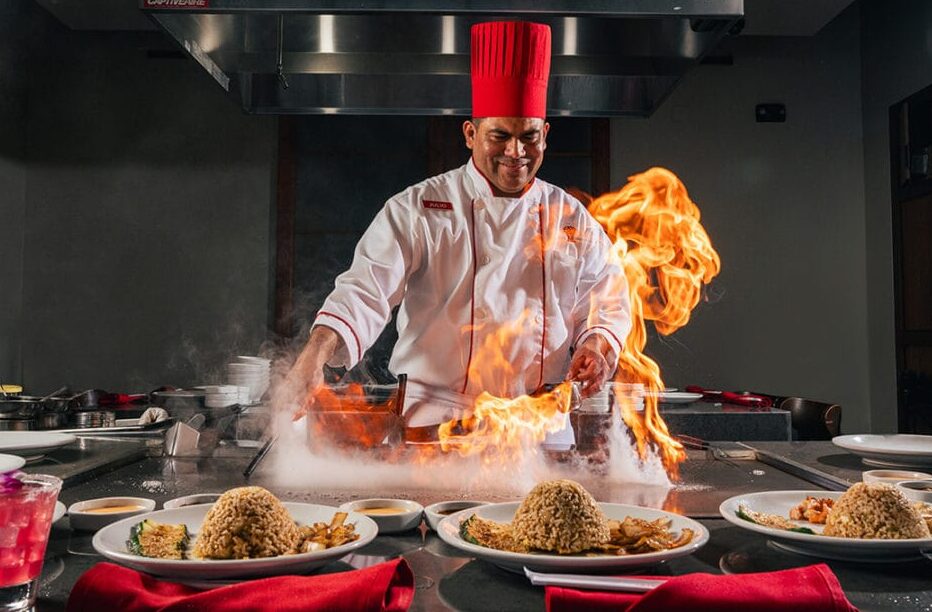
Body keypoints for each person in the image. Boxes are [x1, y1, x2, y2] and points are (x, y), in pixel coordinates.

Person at [282, 21, 631, 436]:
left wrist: (597, 345)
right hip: (434, 426)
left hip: (537, 428)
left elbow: (607, 299)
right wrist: (314, 354)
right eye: (499, 135)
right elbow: (364, 290)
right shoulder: (418, 208)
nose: (515, 152)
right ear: (470, 133)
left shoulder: (570, 216)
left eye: (529, 137)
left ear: (546, 136)